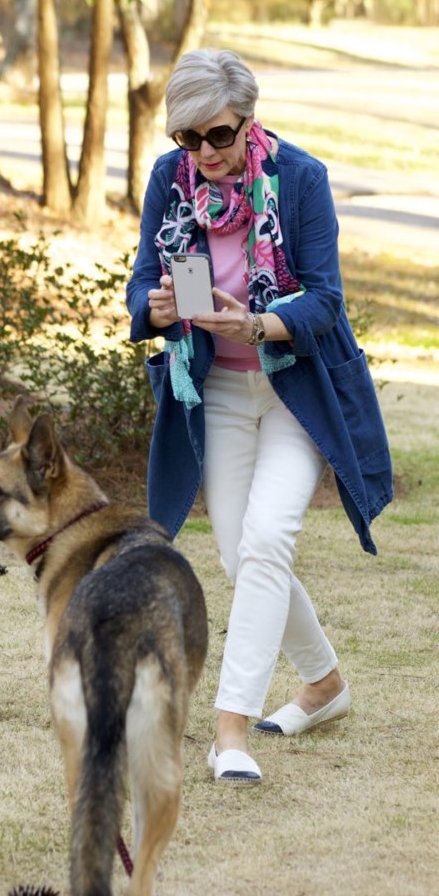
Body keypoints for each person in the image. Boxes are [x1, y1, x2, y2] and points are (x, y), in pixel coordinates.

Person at [126, 49, 393, 785]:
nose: (205, 152)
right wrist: (147, 306)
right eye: (189, 138)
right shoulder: (169, 180)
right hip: (212, 393)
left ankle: (229, 729)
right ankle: (326, 684)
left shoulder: (300, 180)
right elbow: (145, 276)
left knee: (269, 537)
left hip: (291, 392)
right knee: (245, 556)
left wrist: (263, 324)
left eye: (219, 134)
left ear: (249, 119)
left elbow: (326, 300)